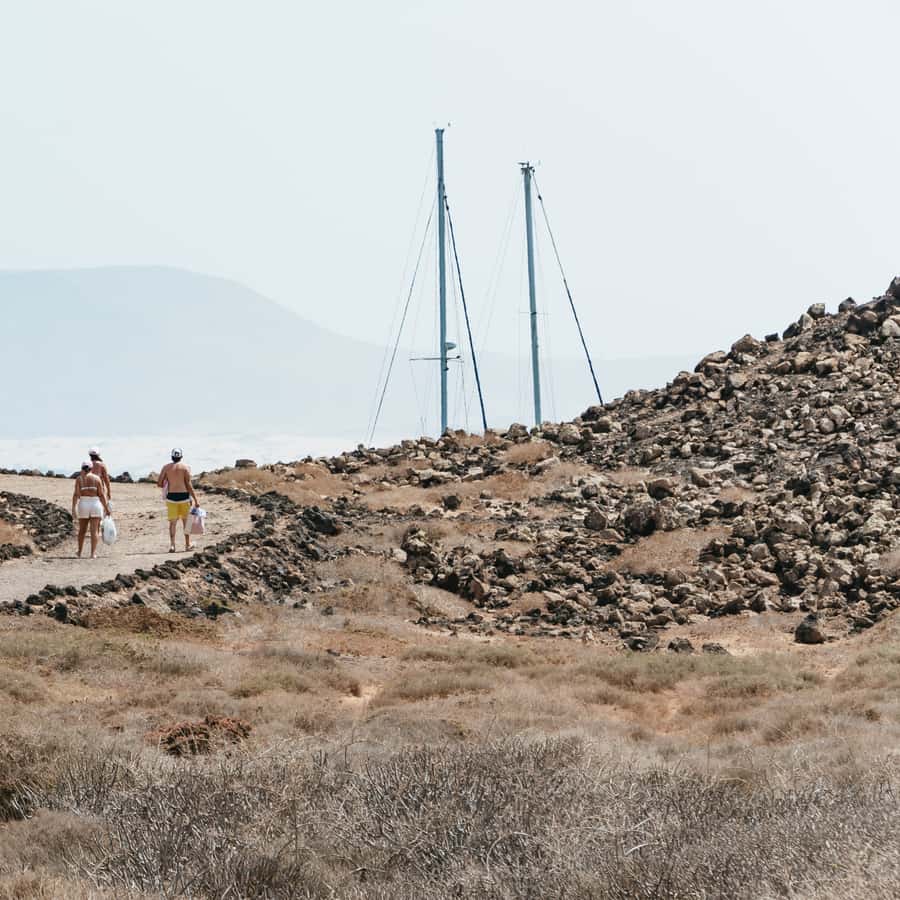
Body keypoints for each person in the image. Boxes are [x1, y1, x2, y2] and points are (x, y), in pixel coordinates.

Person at [157, 448, 200, 552]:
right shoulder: (185, 467)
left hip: (171, 497)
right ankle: (187, 545)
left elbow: (159, 483)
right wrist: (196, 499)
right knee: (187, 522)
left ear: (172, 457)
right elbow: (189, 485)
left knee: (172, 523)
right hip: (184, 497)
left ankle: (172, 546)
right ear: (181, 457)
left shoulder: (166, 467)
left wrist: (168, 481)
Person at [71, 461, 111, 559]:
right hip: (95, 504)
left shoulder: (79, 479)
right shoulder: (97, 478)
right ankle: (92, 554)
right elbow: (101, 495)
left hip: (83, 503)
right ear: (91, 468)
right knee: (94, 531)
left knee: (82, 530)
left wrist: (73, 508)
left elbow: (76, 494)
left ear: (82, 468)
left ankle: (79, 552)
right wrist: (106, 508)